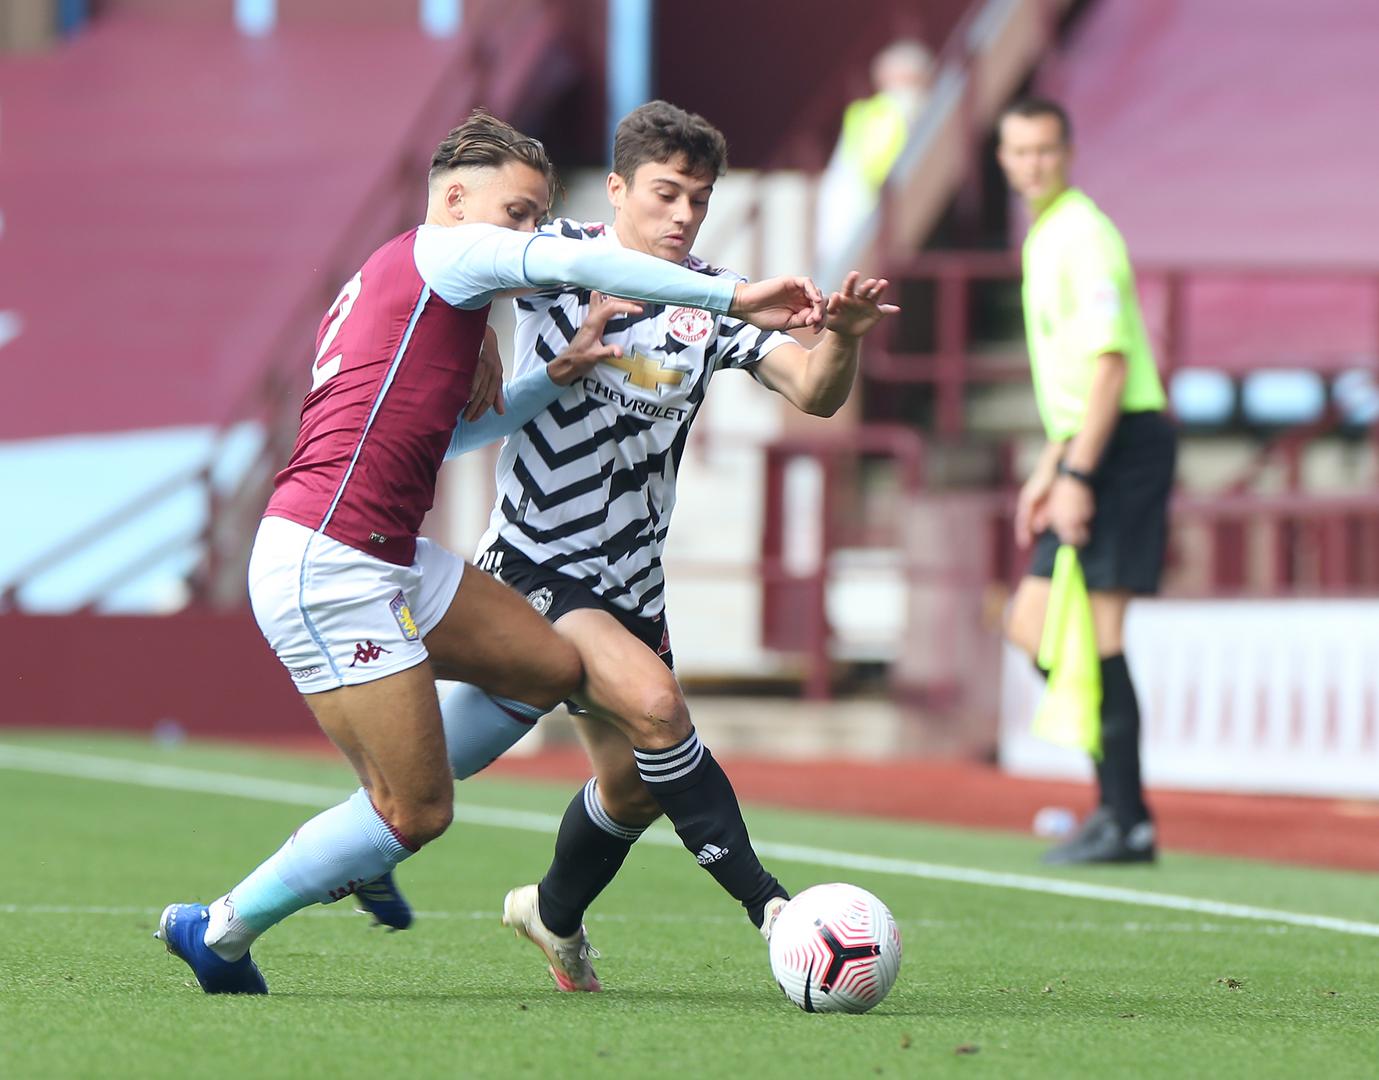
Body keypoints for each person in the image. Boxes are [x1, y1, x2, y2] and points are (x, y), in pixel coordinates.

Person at [154, 109, 827, 994]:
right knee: (420, 809)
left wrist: (556, 370)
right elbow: (573, 260)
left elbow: (465, 434)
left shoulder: (419, 281)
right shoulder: (452, 248)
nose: (526, 233)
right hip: (328, 561)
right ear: (458, 197)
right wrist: (732, 296)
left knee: (546, 667)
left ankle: (372, 843)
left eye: (535, 214)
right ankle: (223, 929)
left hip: (389, 554)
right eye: (516, 214)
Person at [362, 100, 899, 992]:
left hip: (630, 586)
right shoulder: (559, 258)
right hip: (536, 563)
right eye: (664, 194)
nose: (683, 215)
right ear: (616, 190)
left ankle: (548, 910)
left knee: (634, 787)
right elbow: (448, 262)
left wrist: (837, 337)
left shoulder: (710, 303)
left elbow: (814, 393)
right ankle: (775, 912)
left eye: (698, 197)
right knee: (657, 709)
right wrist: (481, 345)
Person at [995, 97, 1176, 864]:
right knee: (1032, 627)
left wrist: (1075, 473)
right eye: (1018, 151)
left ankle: (1125, 817)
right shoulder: (1045, 237)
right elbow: (1074, 380)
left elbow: (1109, 368)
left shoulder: (1084, 236)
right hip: (1084, 445)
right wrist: (1049, 466)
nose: (1032, 163)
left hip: (1121, 446)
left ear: (1067, 152)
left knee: (1098, 634)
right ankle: (1113, 805)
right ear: (1003, 159)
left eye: (1044, 150)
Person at [815, 38, 934, 282]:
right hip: (863, 208)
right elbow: (877, 166)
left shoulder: (865, 111)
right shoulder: (898, 108)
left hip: (844, 210)